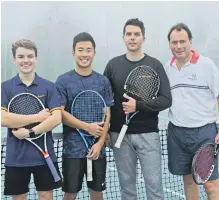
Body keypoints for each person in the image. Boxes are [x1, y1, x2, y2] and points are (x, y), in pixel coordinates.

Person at [103, 18, 172, 200]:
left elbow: (166, 100)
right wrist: (105, 131)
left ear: (143, 38)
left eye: (136, 34)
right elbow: (105, 102)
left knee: (155, 188)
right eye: (129, 34)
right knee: (127, 189)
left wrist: (138, 106)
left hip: (148, 135)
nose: (132, 38)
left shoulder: (154, 65)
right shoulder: (112, 65)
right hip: (119, 136)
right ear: (123, 38)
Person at [1, 39, 62, 200]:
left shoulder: (49, 87)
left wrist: (29, 132)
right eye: (21, 57)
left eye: (30, 56)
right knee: (19, 198)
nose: (26, 60)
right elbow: (3, 118)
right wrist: (38, 117)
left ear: (36, 59)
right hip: (16, 158)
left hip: (44, 156)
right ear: (14, 60)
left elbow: (56, 118)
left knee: (45, 196)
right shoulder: (5, 87)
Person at [55, 32, 113, 200]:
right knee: (70, 194)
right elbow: (60, 113)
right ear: (73, 52)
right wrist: (87, 127)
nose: (84, 54)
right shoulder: (63, 81)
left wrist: (100, 142)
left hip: (97, 150)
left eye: (88, 50)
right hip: (72, 151)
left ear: (94, 53)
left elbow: (107, 114)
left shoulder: (103, 81)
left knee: (97, 194)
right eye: (80, 50)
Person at [165, 22, 219, 200]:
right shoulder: (167, 68)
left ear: (190, 42)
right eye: (174, 42)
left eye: (182, 41)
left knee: (210, 184)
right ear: (170, 44)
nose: (178, 46)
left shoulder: (207, 65)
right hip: (177, 133)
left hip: (204, 133)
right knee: (188, 180)